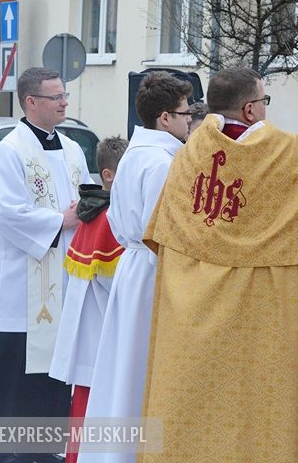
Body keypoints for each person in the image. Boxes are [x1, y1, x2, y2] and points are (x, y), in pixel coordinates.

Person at [138, 67, 298, 462]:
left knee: (195, 415)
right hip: (263, 320)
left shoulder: (190, 154)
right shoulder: (281, 156)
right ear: (252, 109)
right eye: (265, 101)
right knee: (263, 417)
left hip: (194, 319)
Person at [0, 67, 92, 463]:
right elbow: (5, 215)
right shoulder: (10, 151)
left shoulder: (74, 149)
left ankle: (40, 454)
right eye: (55, 97)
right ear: (30, 103)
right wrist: (61, 221)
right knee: (7, 384)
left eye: (65, 96)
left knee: (49, 384)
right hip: (16, 294)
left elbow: (83, 198)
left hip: (60, 283)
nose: (64, 102)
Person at [81, 72, 192, 463]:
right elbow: (163, 232)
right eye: (184, 113)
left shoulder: (134, 155)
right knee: (139, 367)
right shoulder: (163, 163)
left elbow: (117, 220)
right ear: (165, 118)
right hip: (153, 271)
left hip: (134, 268)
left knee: (122, 365)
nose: (189, 120)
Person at [49, 136, 128, 463]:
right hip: (103, 336)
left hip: (90, 339)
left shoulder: (93, 211)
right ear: (109, 175)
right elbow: (117, 285)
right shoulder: (110, 219)